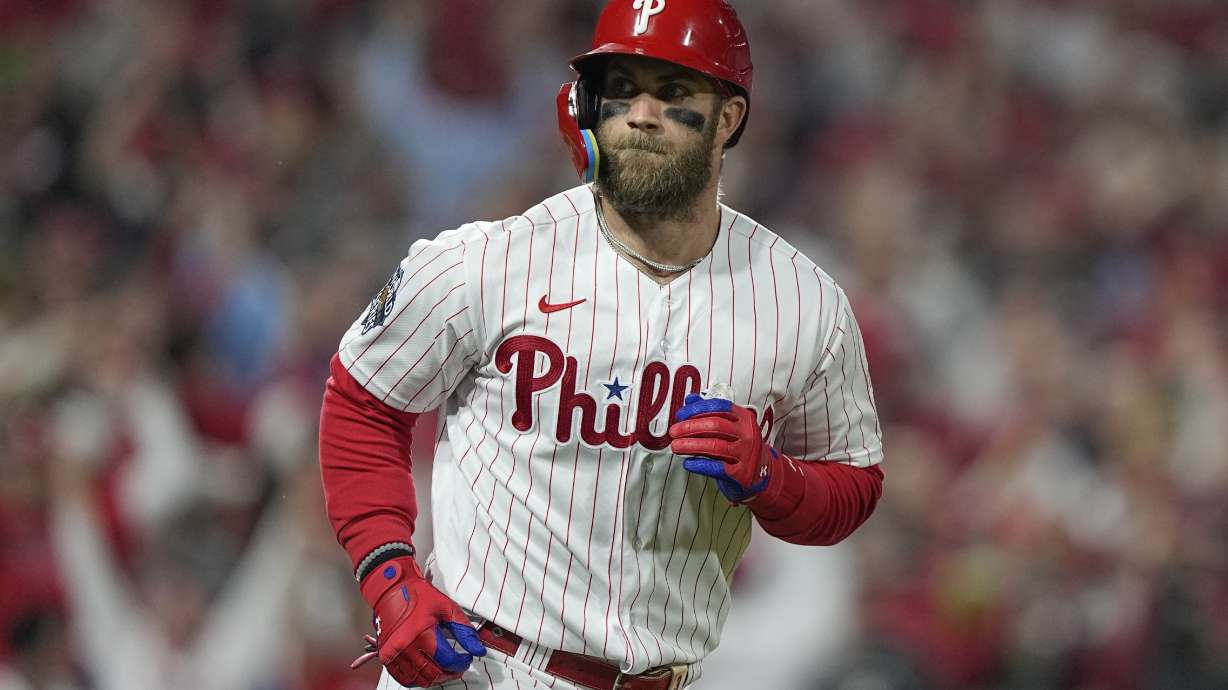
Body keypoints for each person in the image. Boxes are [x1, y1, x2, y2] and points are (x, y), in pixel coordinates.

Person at [319, 1, 886, 688]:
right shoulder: (489, 261)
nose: (641, 114)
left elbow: (853, 483)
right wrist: (389, 575)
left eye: (673, 91)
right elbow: (362, 400)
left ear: (728, 117)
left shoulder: (803, 300)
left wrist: (772, 479)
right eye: (621, 89)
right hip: (480, 666)